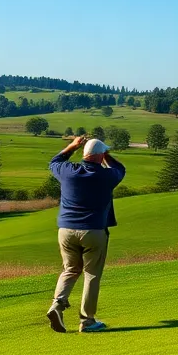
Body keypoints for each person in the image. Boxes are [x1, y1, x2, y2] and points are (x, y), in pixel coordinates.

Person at [46, 135, 126, 332]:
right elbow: (120, 169)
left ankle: (57, 304)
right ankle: (87, 321)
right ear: (100, 156)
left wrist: (73, 146)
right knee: (91, 274)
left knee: (70, 269)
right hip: (94, 231)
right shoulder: (106, 176)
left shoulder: (67, 172)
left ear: (84, 154)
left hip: (66, 231)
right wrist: (106, 156)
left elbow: (54, 161)